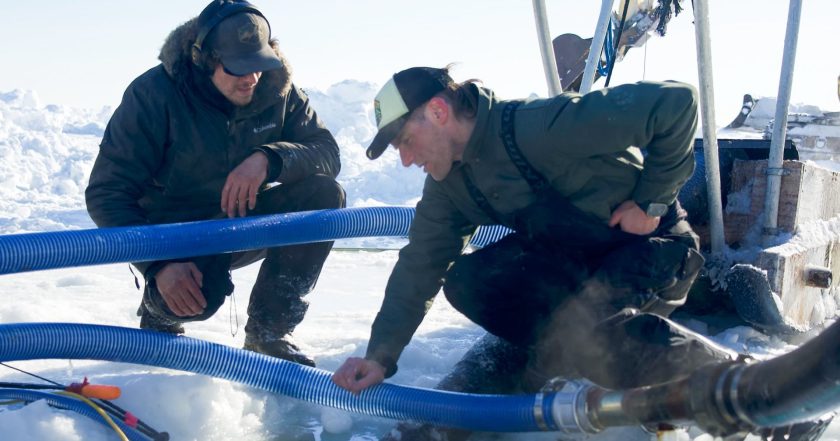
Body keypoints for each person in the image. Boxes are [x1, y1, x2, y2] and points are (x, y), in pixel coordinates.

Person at [332, 65, 743, 438]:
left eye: (405, 141)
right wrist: (381, 355)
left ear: (438, 112)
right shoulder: (448, 184)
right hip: (575, 262)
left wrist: (651, 202)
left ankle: (745, 390)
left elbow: (676, 103)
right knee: (467, 281)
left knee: (586, 337)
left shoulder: (537, 127)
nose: (404, 160)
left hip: (651, 249)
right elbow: (420, 263)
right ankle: (551, 351)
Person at [85, 0, 344, 367]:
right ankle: (160, 313)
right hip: (175, 238)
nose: (251, 78)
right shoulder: (154, 95)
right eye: (238, 67)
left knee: (324, 195)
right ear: (204, 59)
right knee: (197, 300)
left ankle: (269, 333)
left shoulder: (278, 89)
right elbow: (106, 193)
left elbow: (327, 152)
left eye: (259, 64)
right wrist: (157, 264)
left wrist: (269, 159)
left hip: (242, 220)